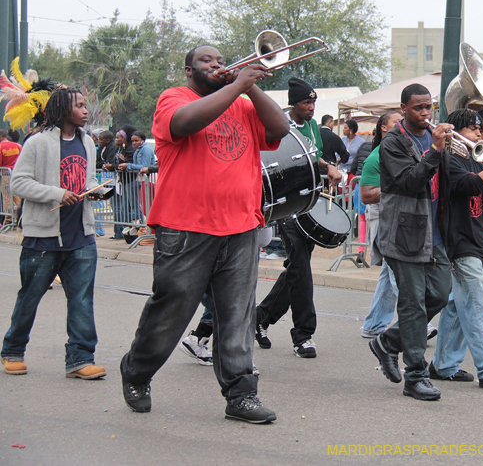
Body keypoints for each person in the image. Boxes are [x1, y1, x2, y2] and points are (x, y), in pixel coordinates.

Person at [119, 45, 289, 424]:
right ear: (188, 71)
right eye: (205, 61)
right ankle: (137, 371)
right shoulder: (174, 98)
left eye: (219, 60)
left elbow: (279, 129)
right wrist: (236, 85)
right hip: (184, 227)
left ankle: (241, 395)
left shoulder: (244, 104)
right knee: (172, 310)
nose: (216, 65)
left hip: (241, 226)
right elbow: (184, 123)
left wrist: (251, 88)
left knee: (238, 315)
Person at [1, 87, 106, 380]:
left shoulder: (88, 143)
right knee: (29, 297)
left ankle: (80, 359)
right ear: (61, 109)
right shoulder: (37, 143)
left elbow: (90, 178)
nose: (86, 110)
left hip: (81, 236)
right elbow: (18, 183)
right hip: (43, 239)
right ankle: (12, 351)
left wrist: (98, 190)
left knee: (82, 300)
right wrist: (56, 194)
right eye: (80, 105)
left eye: (86, 105)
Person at [368, 83, 453, 401]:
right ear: (403, 109)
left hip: (434, 233)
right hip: (405, 234)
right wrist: (435, 152)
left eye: (428, 107)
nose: (425, 112)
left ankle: (388, 342)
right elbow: (408, 181)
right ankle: (415, 375)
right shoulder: (393, 142)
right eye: (418, 107)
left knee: (441, 294)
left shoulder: (435, 138)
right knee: (413, 304)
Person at [255, 78, 342, 359]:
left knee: (296, 268)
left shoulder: (314, 126)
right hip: (289, 205)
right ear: (294, 103)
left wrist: (328, 167)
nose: (311, 107)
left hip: (310, 203)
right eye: (306, 102)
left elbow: (313, 157)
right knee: (302, 270)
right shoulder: (281, 126)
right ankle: (303, 335)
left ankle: (259, 318)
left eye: (314, 102)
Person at [430, 109, 483, 389]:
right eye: (472, 128)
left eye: (480, 128)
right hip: (460, 241)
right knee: (479, 305)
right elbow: (469, 185)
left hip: (479, 240)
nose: (479, 132)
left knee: (457, 306)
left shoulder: (475, 158)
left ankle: (443, 364)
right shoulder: (450, 159)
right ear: (456, 131)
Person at [359, 110, 437, 340]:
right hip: (388, 217)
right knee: (399, 272)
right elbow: (366, 195)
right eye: (396, 122)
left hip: (406, 218)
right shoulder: (379, 154)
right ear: (385, 128)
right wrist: (398, 186)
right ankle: (417, 323)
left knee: (389, 271)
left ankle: (374, 324)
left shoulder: (408, 146)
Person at [103, 127, 136, 240]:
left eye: (117, 138)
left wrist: (112, 167)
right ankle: (123, 233)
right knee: (123, 209)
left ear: (124, 139)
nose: (115, 139)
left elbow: (129, 164)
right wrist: (111, 166)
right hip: (121, 181)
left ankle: (136, 232)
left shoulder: (130, 149)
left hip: (131, 181)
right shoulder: (119, 149)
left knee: (132, 208)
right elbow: (116, 162)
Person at [0, 128, 22, 225]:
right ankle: (19, 216)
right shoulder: (17, 145)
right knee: (17, 196)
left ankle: (8, 219)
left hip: (6, 175)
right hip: (17, 174)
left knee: (7, 197)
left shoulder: (0, 146)